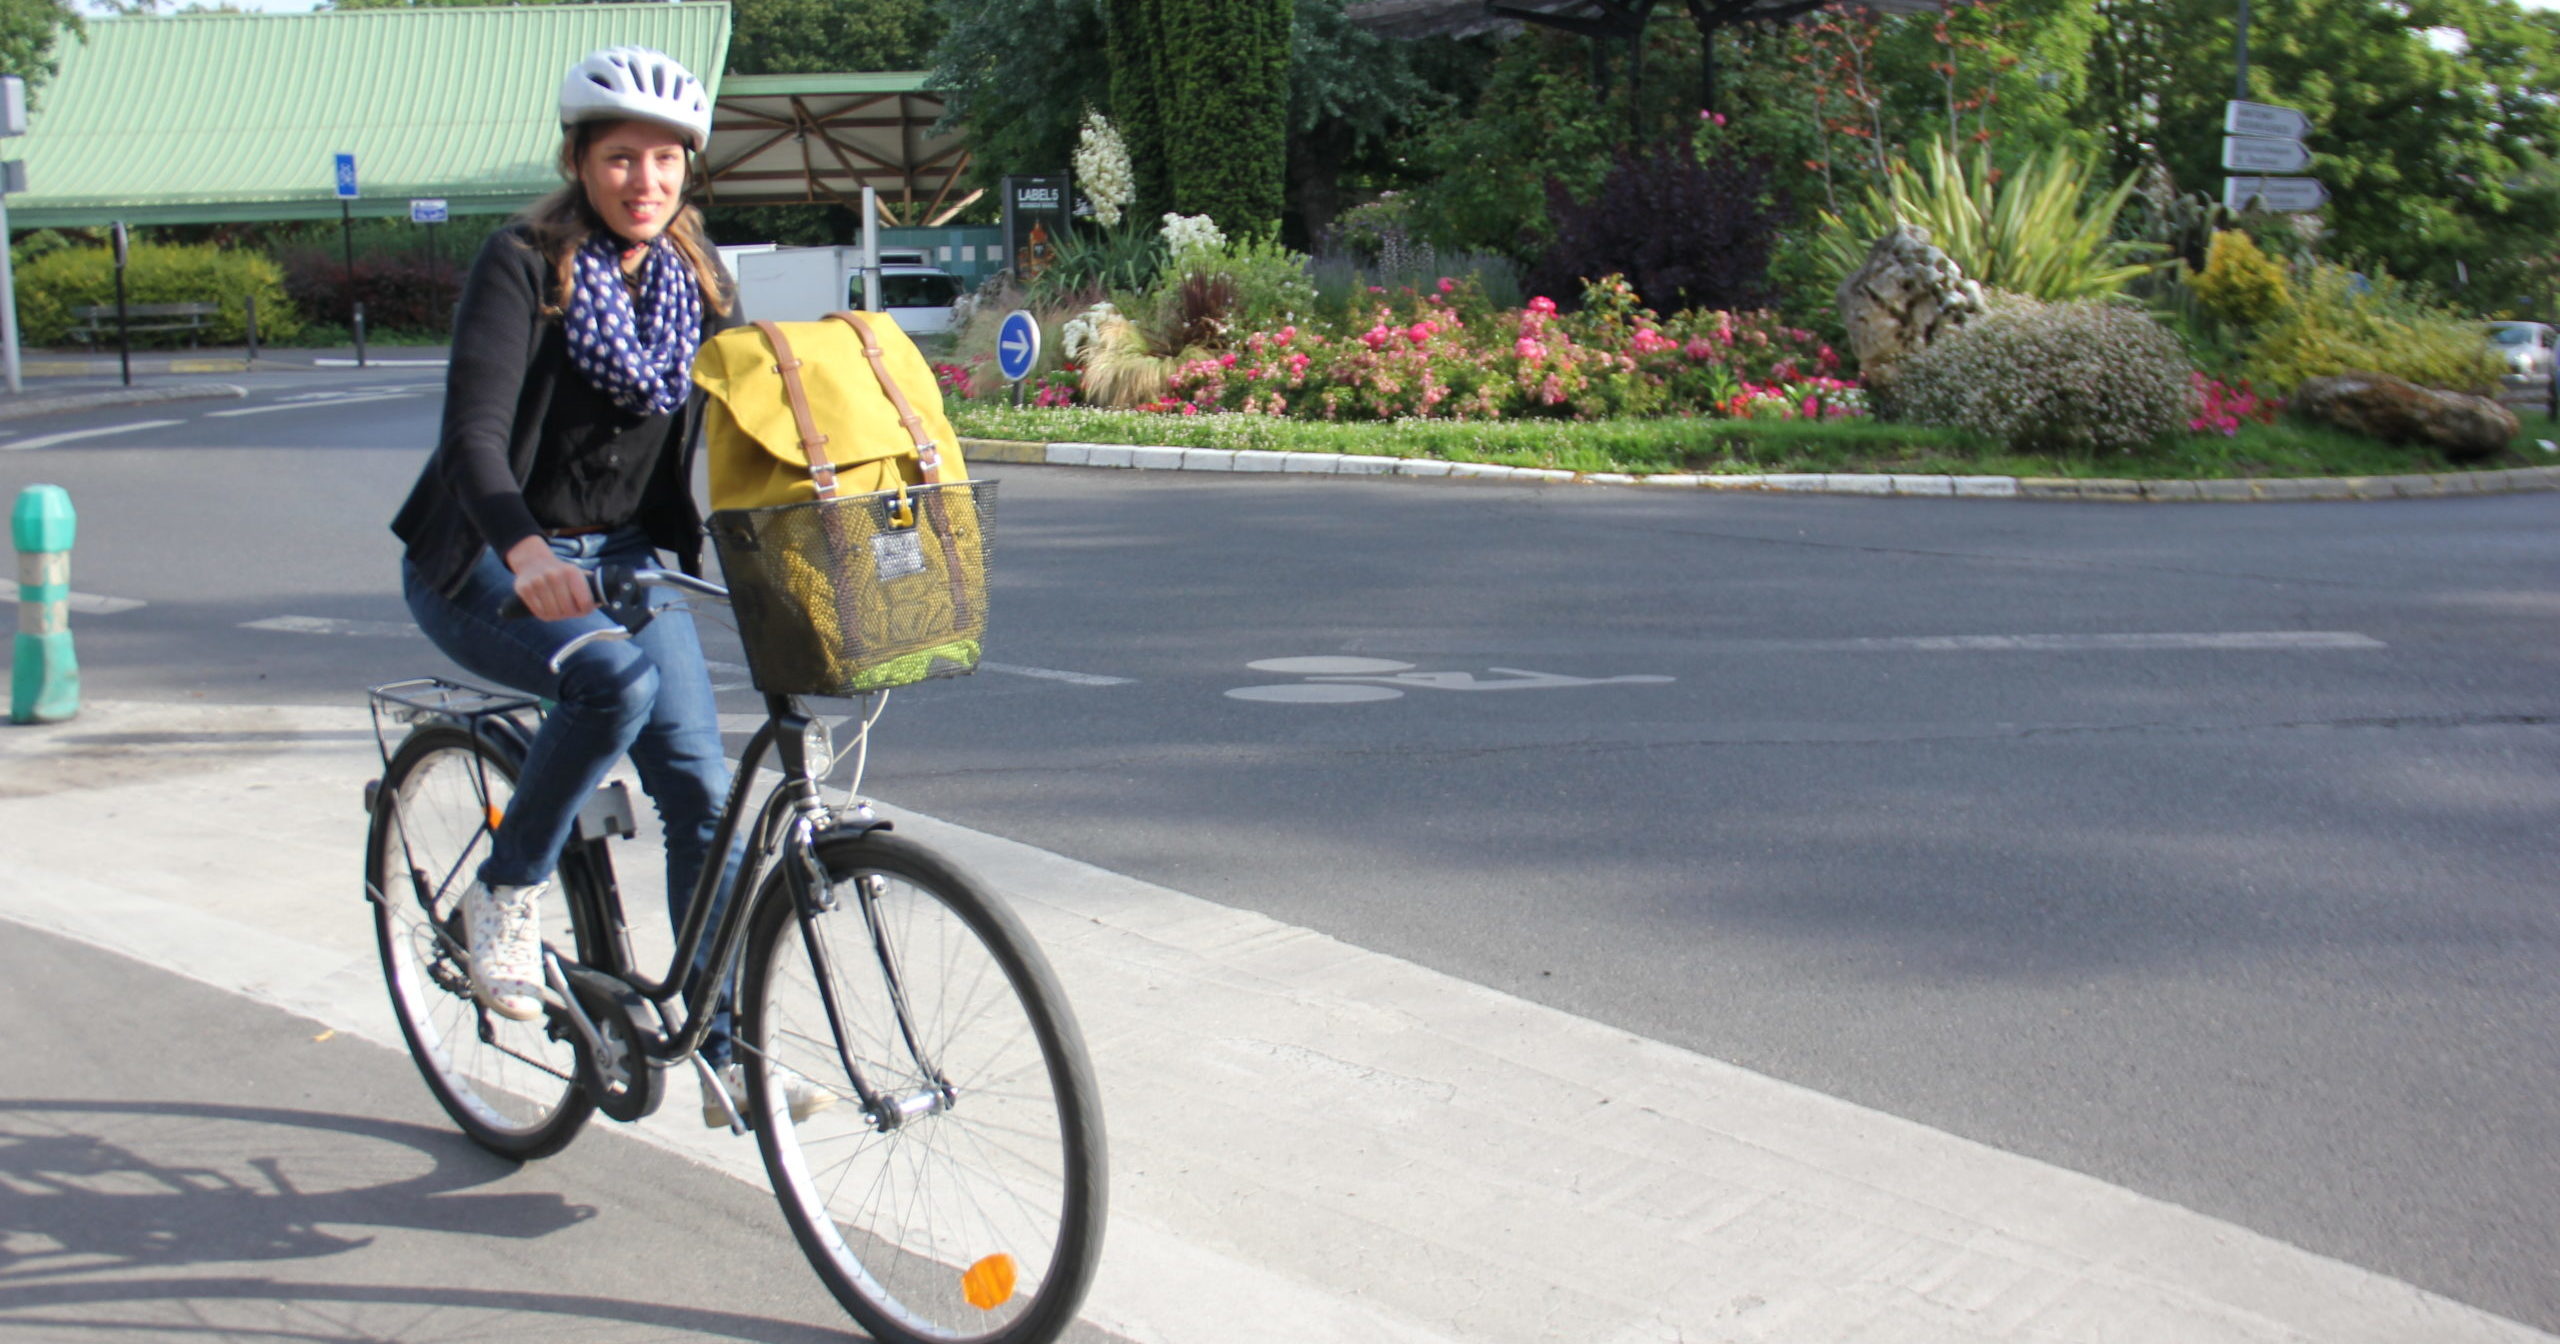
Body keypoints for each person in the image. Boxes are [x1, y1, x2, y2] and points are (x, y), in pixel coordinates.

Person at [391, 46, 826, 1128]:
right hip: (488, 558)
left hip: (625, 560)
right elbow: (474, 441)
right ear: (579, 161)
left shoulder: (699, 282)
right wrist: (528, 551)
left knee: (700, 796)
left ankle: (726, 1052)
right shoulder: (524, 264)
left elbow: (756, 415)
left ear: (688, 168)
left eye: (666, 158)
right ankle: (508, 892)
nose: (646, 180)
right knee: (611, 684)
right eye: (621, 156)